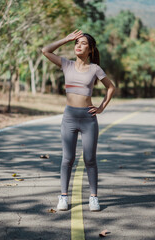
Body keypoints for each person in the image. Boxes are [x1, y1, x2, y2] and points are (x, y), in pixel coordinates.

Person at [42, 29, 115, 211]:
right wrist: (66, 39)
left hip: (88, 119)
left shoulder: (95, 69)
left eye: (83, 43)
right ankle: (63, 196)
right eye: (76, 43)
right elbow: (46, 50)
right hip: (69, 118)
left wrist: (101, 107)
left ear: (90, 49)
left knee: (90, 159)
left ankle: (93, 197)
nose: (78, 46)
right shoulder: (66, 64)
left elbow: (111, 87)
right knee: (68, 158)